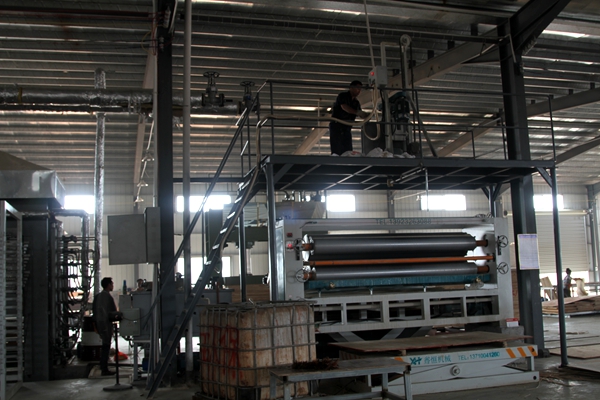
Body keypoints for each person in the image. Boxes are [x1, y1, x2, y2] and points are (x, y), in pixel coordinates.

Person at [329, 80, 369, 155]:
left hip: (347, 127)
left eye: (360, 89)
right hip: (337, 125)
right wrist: (357, 112)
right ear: (351, 88)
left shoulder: (356, 102)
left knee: (347, 150)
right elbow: (344, 107)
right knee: (337, 149)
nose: (359, 91)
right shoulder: (343, 96)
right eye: (357, 88)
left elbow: (360, 114)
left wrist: (366, 116)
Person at [92, 277, 122, 376]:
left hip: (99, 325)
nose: (113, 286)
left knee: (104, 346)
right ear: (108, 285)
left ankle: (103, 366)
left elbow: (94, 312)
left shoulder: (97, 296)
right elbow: (113, 312)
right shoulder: (108, 297)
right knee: (106, 347)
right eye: (112, 284)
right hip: (106, 325)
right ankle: (104, 369)